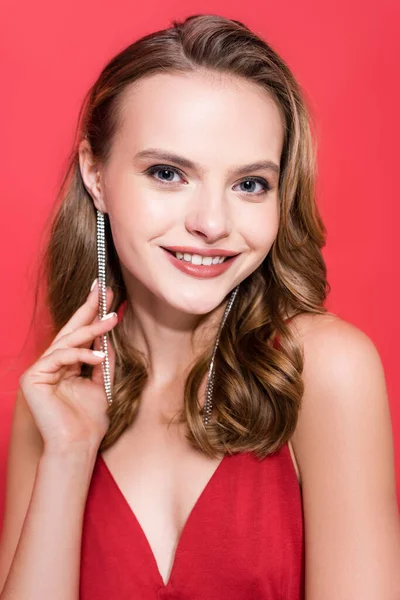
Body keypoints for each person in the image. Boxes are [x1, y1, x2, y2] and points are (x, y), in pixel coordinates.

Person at [1, 12, 399, 600]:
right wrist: (68, 452)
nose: (211, 223)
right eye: (168, 173)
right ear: (96, 174)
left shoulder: (324, 369)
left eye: (249, 184)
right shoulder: (54, 399)